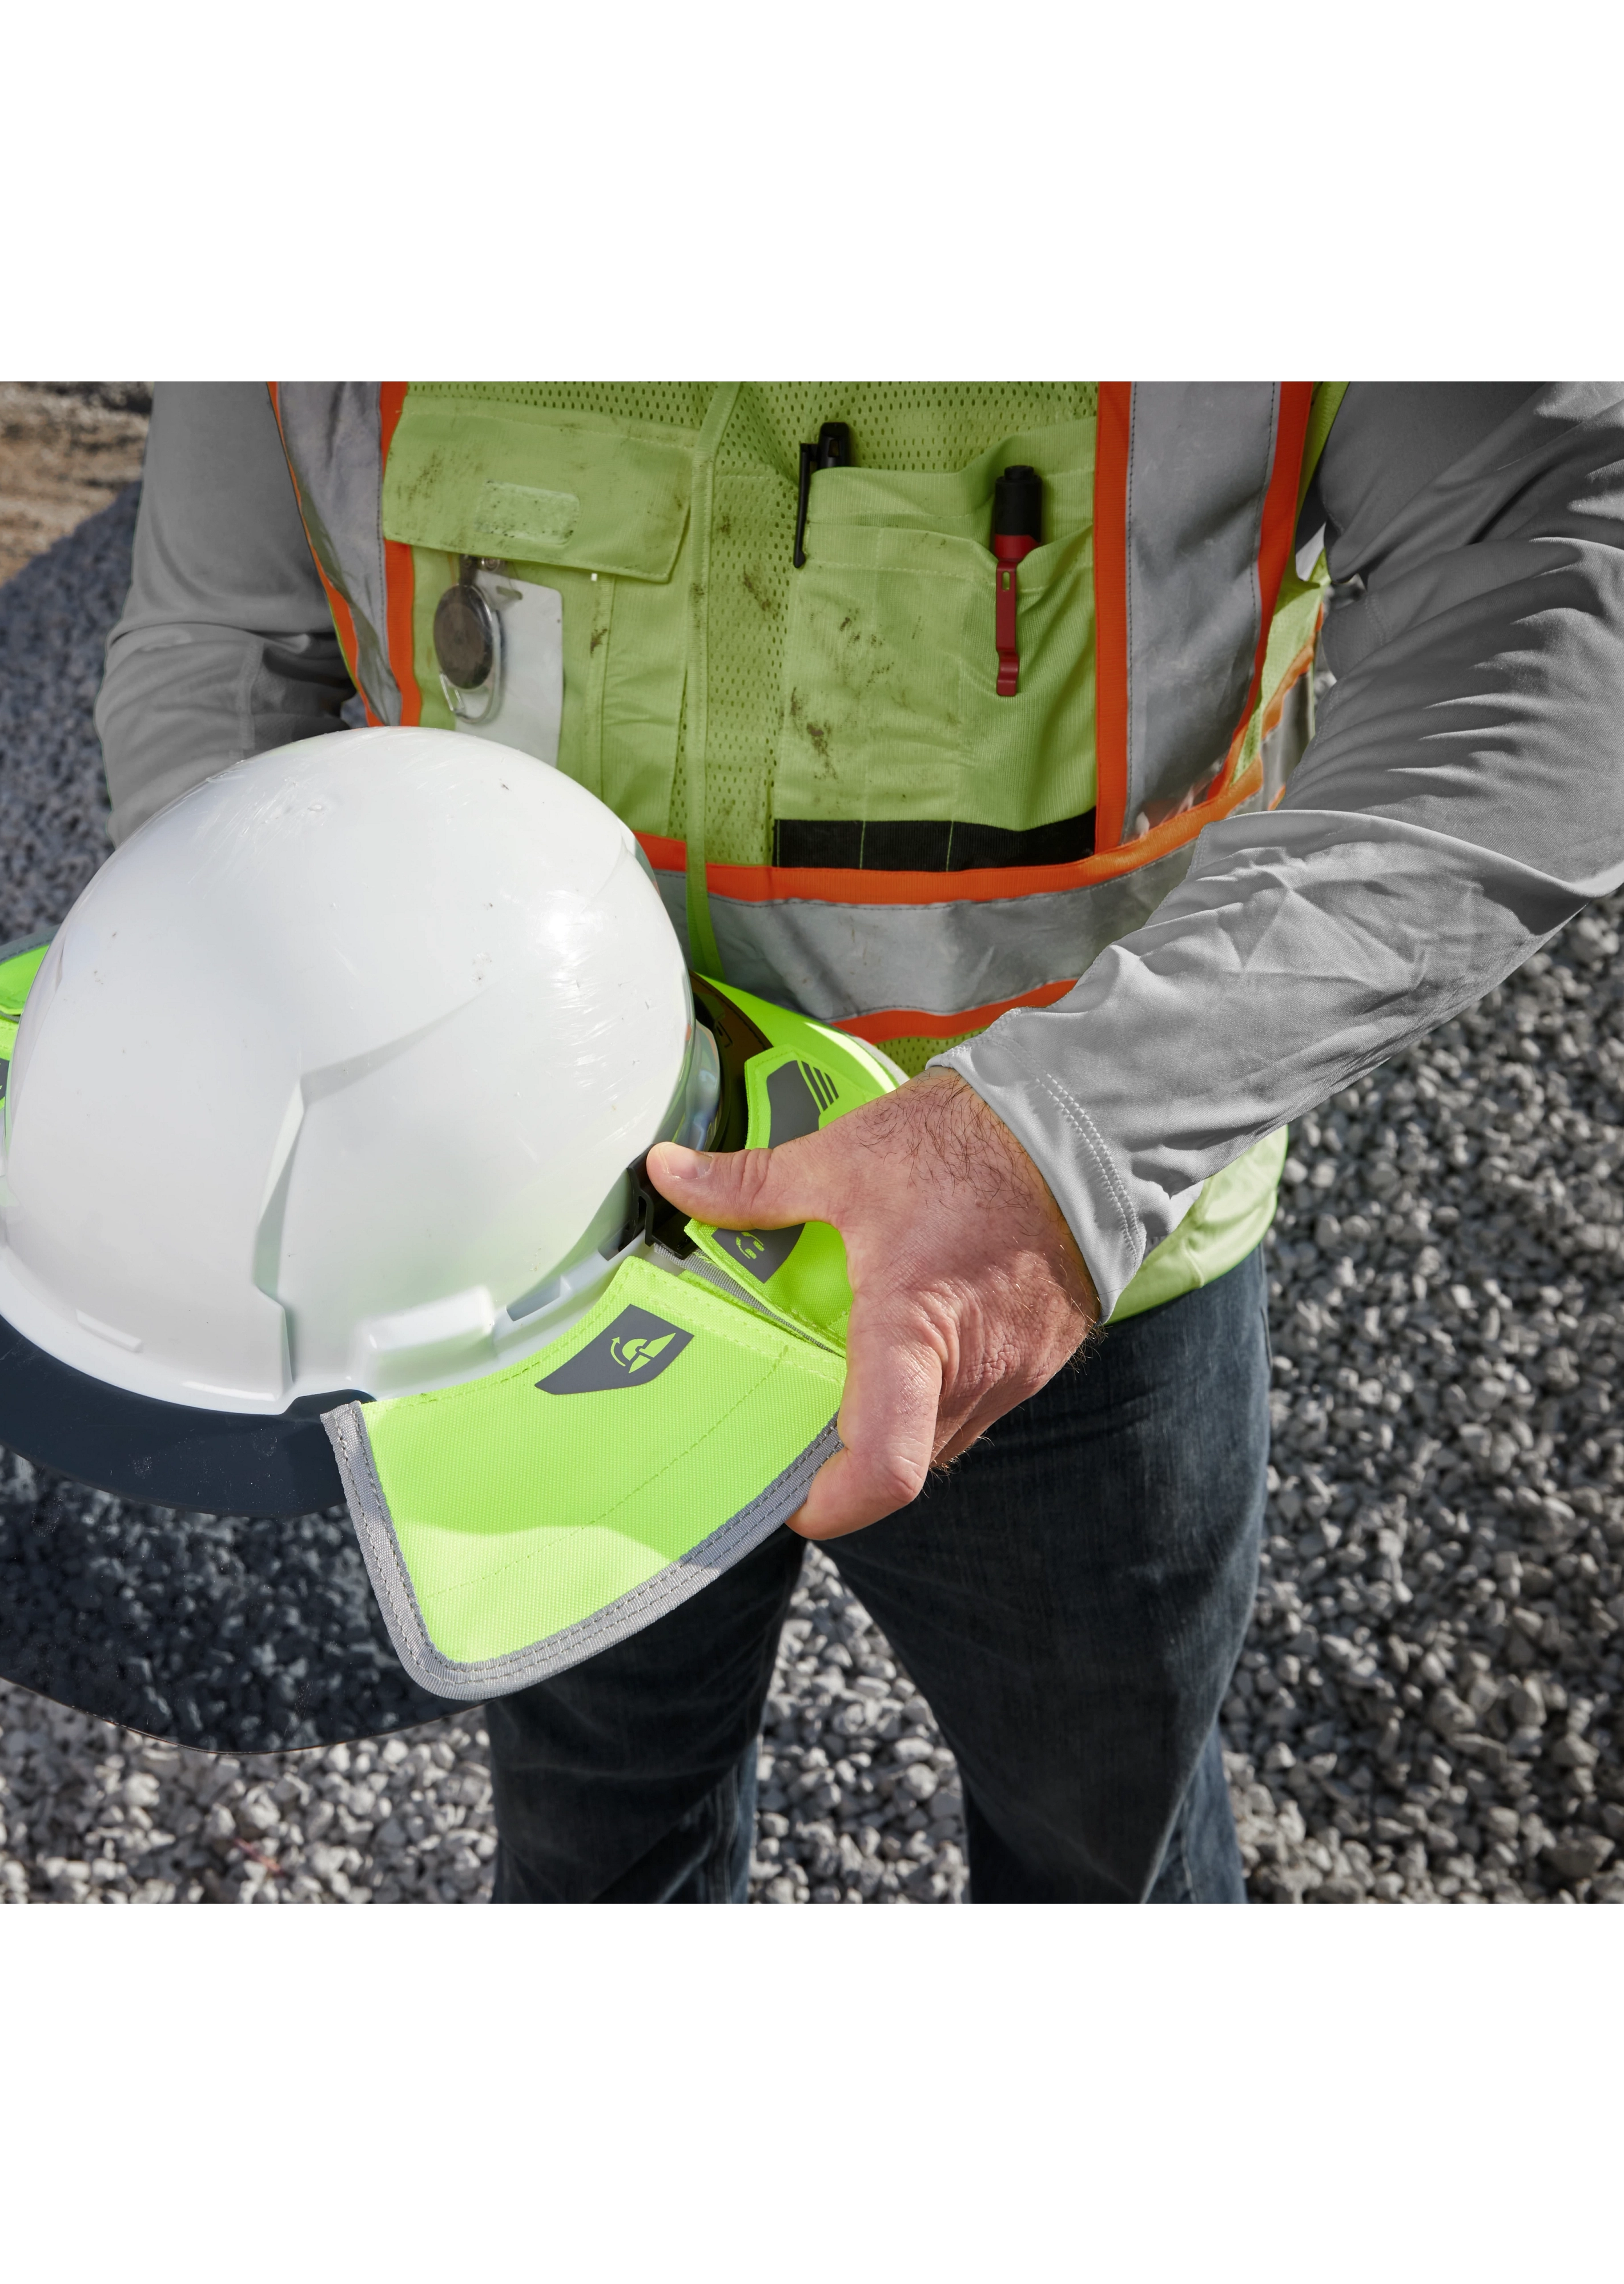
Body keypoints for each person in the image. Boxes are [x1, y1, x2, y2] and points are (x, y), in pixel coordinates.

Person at [97, 380, 1624, 1903]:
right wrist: (259, 1014)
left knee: (1105, 1844)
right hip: (544, 1270)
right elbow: (228, 641)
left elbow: (1565, 594)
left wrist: (1071, 1141)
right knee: (599, 1829)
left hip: (1065, 1284)